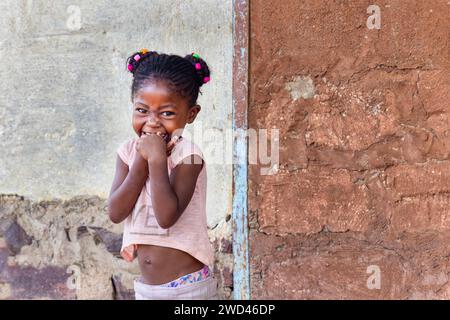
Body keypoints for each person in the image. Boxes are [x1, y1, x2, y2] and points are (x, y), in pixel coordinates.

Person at [108, 49, 217, 300]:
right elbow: (115, 212)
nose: (152, 122)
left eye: (166, 113)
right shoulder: (127, 152)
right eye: (142, 110)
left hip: (187, 288)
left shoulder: (188, 156)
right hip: (146, 289)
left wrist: (156, 160)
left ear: (190, 114)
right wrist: (140, 161)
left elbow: (166, 216)